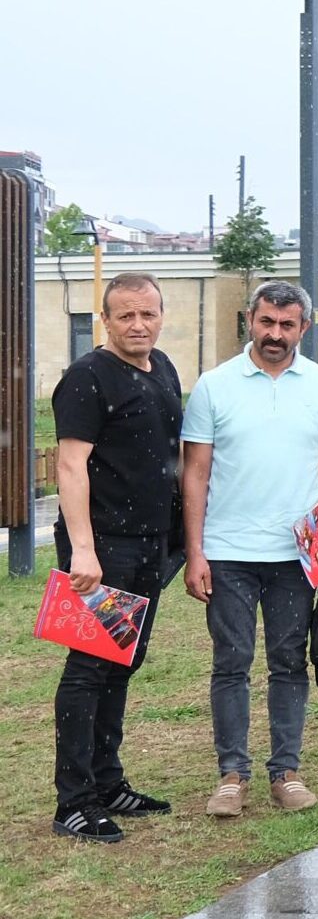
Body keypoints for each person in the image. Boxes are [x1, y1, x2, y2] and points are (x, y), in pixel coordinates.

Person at [184, 280, 318, 817]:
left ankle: (286, 771)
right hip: (228, 551)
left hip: (296, 555)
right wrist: (195, 551)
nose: (275, 334)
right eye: (266, 322)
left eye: (287, 325)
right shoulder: (213, 386)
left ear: (305, 326)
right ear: (248, 321)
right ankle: (231, 776)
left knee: (288, 662)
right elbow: (195, 473)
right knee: (231, 662)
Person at [50, 273, 182, 841]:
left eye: (147, 314)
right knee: (88, 669)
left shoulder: (164, 369)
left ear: (160, 314)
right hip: (102, 548)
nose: (138, 325)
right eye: (125, 315)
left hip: (151, 543)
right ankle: (73, 801)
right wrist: (83, 549)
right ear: (105, 320)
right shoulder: (86, 378)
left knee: (122, 663)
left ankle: (107, 781)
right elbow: (70, 464)